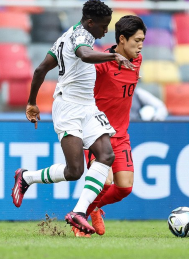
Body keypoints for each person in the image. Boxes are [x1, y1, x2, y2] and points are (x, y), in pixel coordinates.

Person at [11, 0, 135, 235]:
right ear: (90, 22)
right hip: (68, 108)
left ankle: (79, 211)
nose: (106, 31)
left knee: (106, 155)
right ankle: (26, 177)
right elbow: (85, 54)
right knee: (75, 170)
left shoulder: (64, 38)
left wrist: (32, 102)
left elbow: (40, 70)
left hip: (88, 107)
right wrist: (113, 57)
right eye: (103, 26)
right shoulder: (80, 37)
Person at [72, 15, 147, 237]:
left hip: (121, 135)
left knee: (124, 187)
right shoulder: (101, 63)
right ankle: (80, 219)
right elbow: (79, 75)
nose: (140, 45)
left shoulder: (137, 60)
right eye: (136, 40)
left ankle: (94, 208)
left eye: (143, 40)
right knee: (104, 180)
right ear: (122, 39)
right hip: (97, 133)